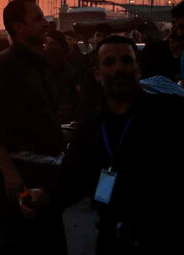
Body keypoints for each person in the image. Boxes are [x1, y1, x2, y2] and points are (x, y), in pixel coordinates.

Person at [21, 36, 182, 254]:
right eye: (109, 62)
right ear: (97, 73)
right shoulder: (92, 128)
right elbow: (72, 179)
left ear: (139, 68)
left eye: (126, 61)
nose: (119, 69)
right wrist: (42, 196)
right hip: (112, 239)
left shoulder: (168, 115)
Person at [0, 0, 67, 254]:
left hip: (48, 174)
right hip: (23, 177)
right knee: (20, 244)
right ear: (18, 27)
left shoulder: (40, 63)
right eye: (38, 18)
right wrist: (11, 175)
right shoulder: (5, 66)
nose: (46, 23)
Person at [45, 30, 79, 124]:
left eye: (51, 43)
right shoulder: (40, 69)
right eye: (46, 43)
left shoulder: (70, 69)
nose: (48, 47)